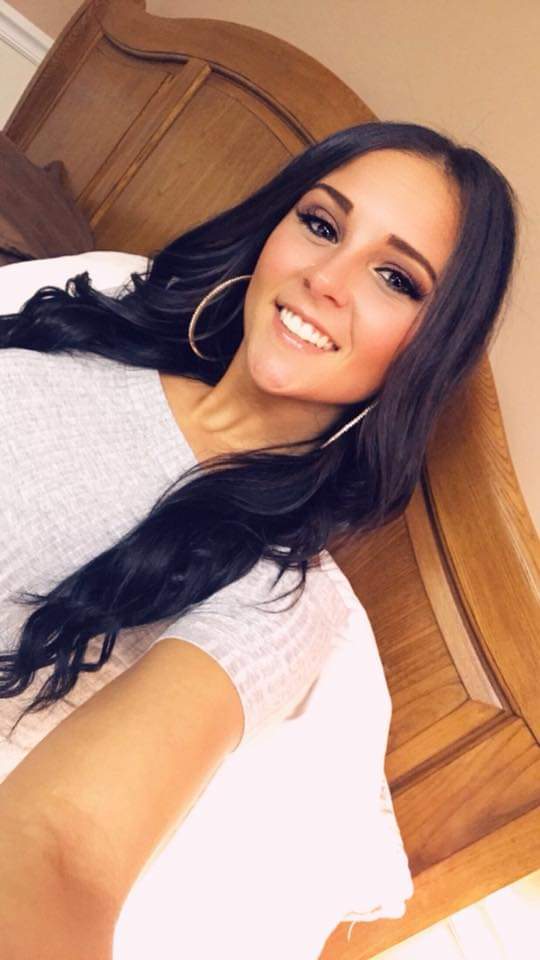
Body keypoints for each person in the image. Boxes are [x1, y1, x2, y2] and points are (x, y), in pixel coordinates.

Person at [0, 121, 516, 957]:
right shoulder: (103, 317)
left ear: (433, 347)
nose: (326, 279)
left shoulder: (278, 593)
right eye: (322, 224)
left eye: (394, 277)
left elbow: (61, 847)